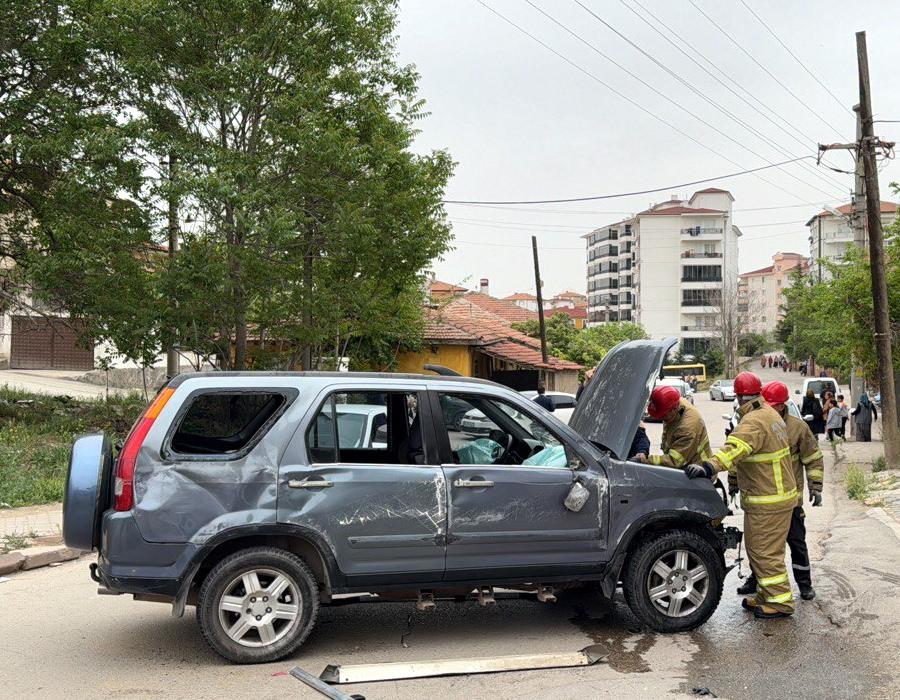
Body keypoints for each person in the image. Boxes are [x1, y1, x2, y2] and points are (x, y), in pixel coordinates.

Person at [707, 371, 796, 619]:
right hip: (772, 497)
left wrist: (709, 466)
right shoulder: (769, 413)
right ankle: (767, 595)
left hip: (769, 499)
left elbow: (735, 449)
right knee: (759, 550)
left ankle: (780, 603)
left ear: (738, 396)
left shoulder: (754, 421)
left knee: (765, 552)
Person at [737, 381, 823, 601]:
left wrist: (816, 487)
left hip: (790, 499)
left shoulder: (797, 427)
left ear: (782, 406)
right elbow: (742, 458)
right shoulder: (758, 421)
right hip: (765, 497)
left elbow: (813, 458)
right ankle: (757, 581)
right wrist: (733, 484)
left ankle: (804, 585)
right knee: (761, 546)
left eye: (774, 405)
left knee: (796, 542)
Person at [635, 385, 712, 471]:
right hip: (685, 462)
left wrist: (645, 460)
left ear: (674, 409)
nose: (661, 418)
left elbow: (675, 461)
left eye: (663, 416)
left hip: (698, 470)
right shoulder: (673, 403)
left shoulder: (687, 428)